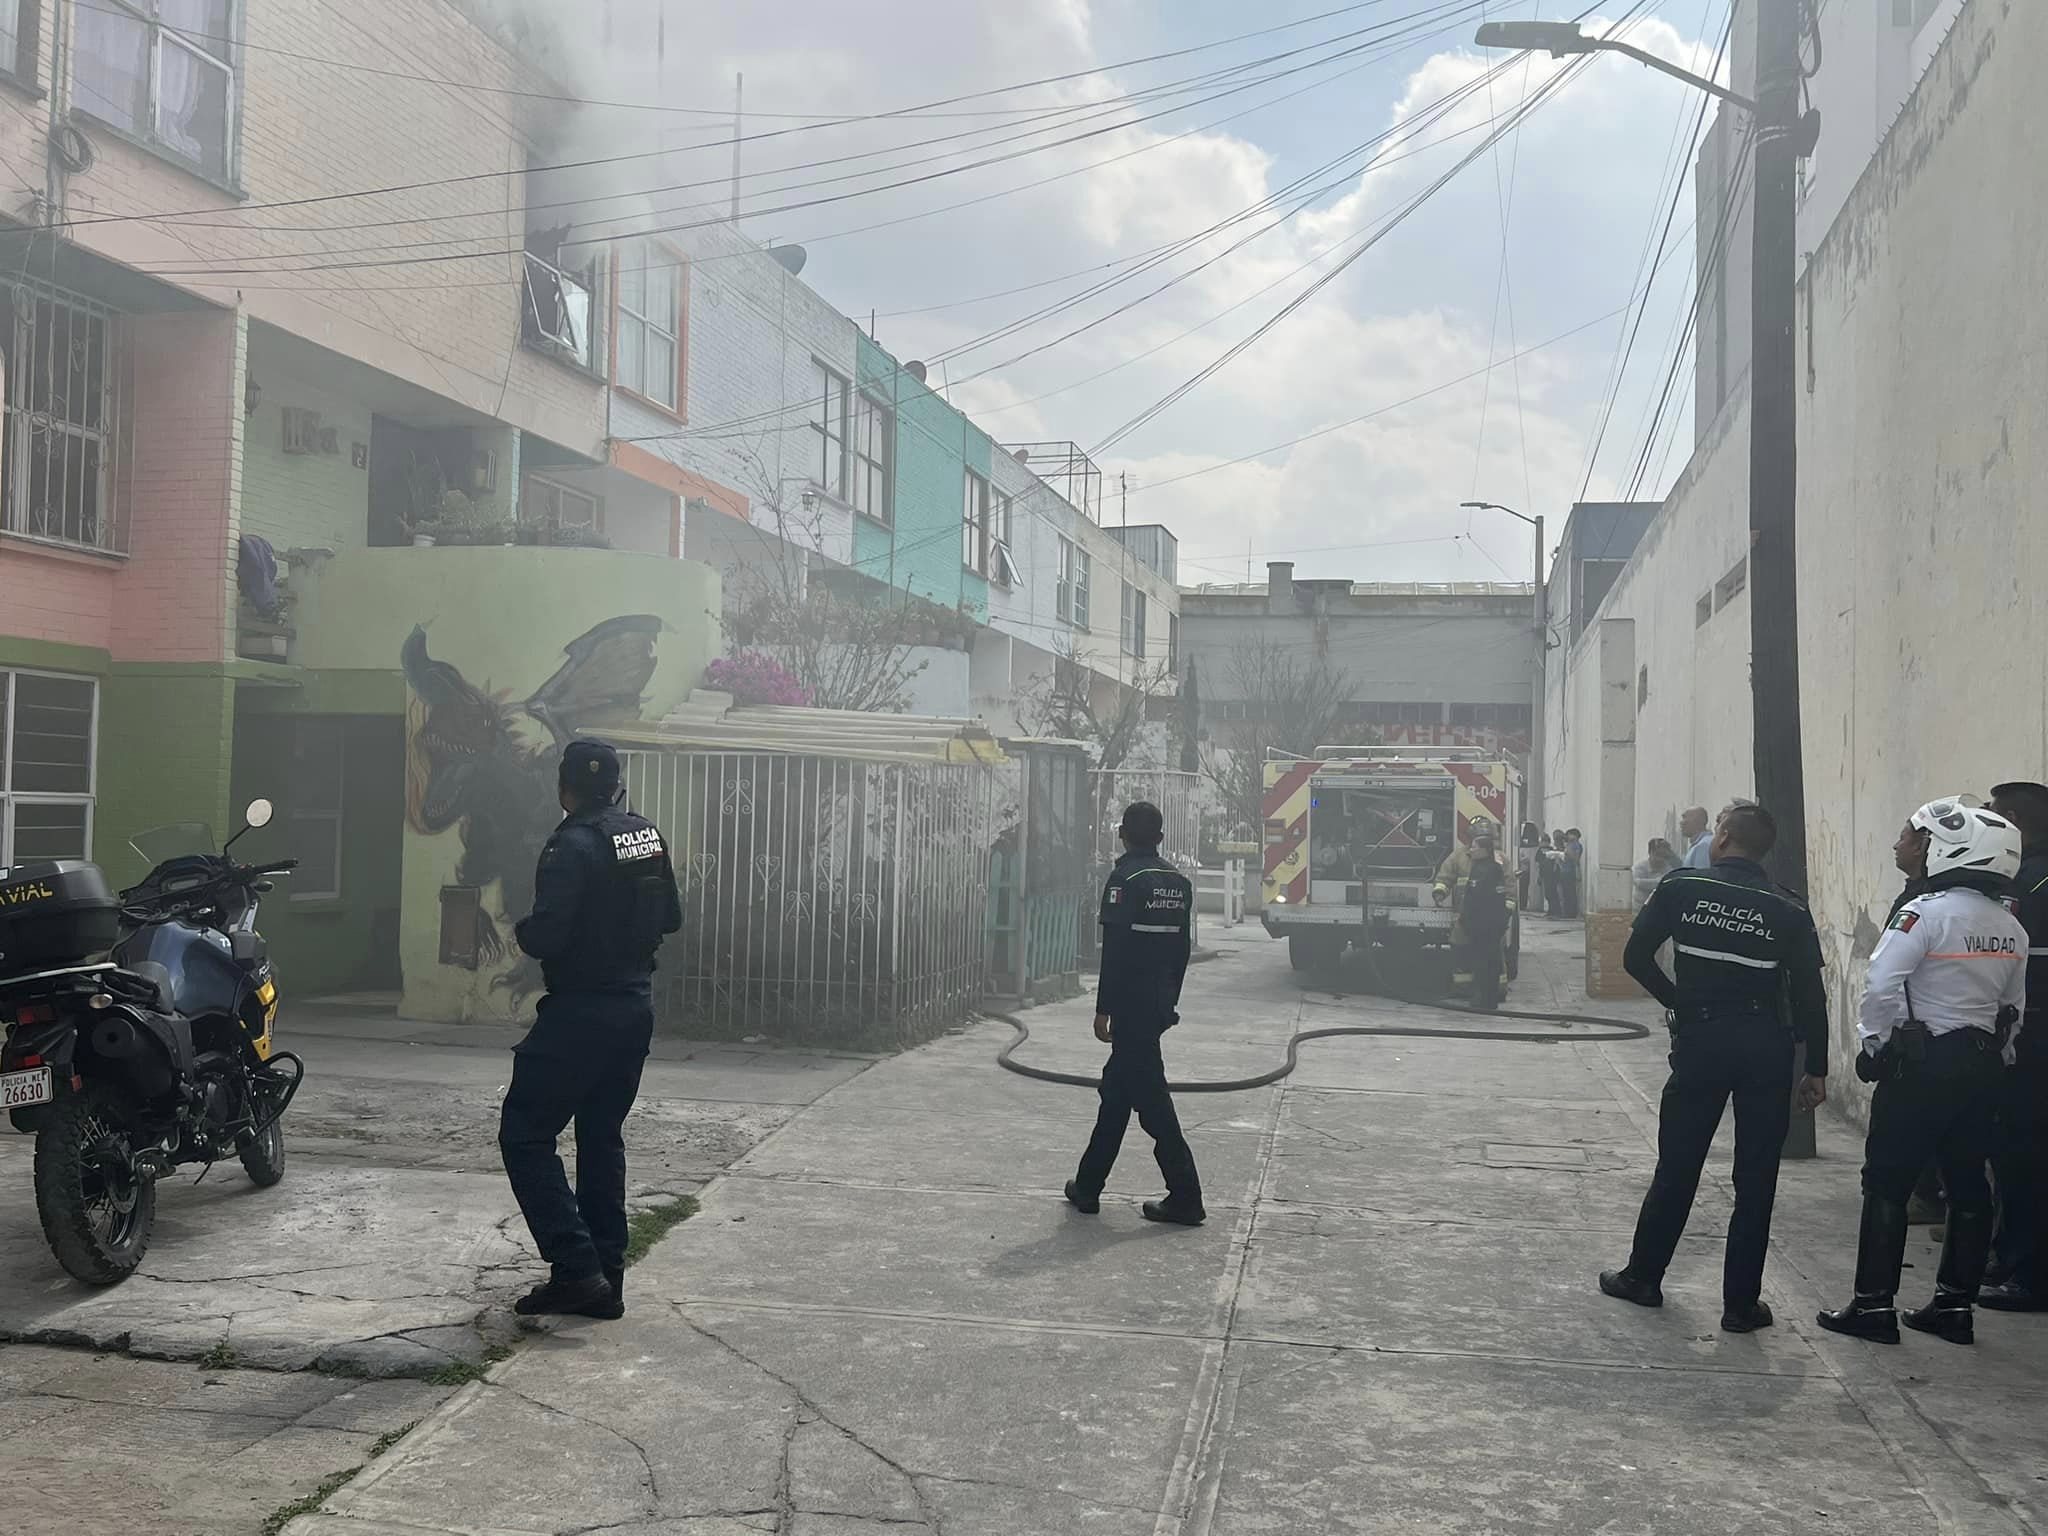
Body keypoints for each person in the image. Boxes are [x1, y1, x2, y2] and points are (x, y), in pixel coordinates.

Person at [1599, 803, 1829, 1333]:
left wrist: (1679, 1002)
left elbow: (1634, 958)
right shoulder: (1789, 910)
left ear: (1721, 838)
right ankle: (1740, 1306)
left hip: (1702, 1040)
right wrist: (1815, 1067)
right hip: (1766, 1047)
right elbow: (1811, 997)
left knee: (1678, 1164)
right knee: (1756, 1178)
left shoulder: (1681, 888)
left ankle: (1643, 1277)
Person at [1817, 798, 2027, 1345]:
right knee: (1969, 1185)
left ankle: (1872, 1307)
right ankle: (1954, 1308)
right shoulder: (2010, 925)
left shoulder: (1925, 913)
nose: (1902, 845)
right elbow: (2013, 1010)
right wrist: (1999, 1062)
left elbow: (1882, 985)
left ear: (1947, 848)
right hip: (1982, 1067)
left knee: (1887, 1180)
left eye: (1915, 836)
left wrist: (1872, 1046)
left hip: (1922, 1066)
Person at [499, 739, 683, 1320]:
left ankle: (576, 1268)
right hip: (634, 1007)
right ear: (616, 786)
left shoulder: (571, 843)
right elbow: (671, 918)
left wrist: (524, 931)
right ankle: (606, 1278)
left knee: (525, 1134)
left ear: (565, 789)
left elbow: (548, 935)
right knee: (601, 1140)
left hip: (581, 1011)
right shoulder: (644, 835)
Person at [1067, 801, 1204, 1226]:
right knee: (1118, 1094)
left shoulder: (1124, 879)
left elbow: (1117, 953)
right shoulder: (1178, 883)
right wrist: (1168, 1003)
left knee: (1152, 1103)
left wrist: (1103, 1009)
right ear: (1160, 839)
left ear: (1122, 835)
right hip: (1157, 1005)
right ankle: (1087, 1187)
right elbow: (1181, 952)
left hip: (1129, 1007)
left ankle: (1187, 1196)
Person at [1982, 780, 2048, 1311]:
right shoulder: (2023, 875)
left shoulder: (2035, 878)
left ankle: (2031, 1274)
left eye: (2002, 817)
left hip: (2035, 1039)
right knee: (2009, 1152)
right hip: (2021, 1035)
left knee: (2027, 1154)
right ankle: (2008, 1255)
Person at [1435, 827, 1512, 1010]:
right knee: (1470, 956)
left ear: (1484, 848)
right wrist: (1440, 892)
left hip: (1485, 925)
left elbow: (1501, 894)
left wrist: (1502, 918)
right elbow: (1448, 876)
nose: (1471, 849)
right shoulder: (1464, 859)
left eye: (1475, 846)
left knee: (1488, 961)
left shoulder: (1495, 866)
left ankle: (1489, 995)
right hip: (1472, 923)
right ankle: (1471, 991)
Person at [1632, 837, 1680, 909]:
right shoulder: (1639, 867)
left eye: (1663, 856)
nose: (1660, 858)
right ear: (1650, 852)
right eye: (1657, 854)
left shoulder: (1669, 869)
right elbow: (1638, 883)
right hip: (1639, 910)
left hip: (1660, 909)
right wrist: (1661, 881)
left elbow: (1671, 885)